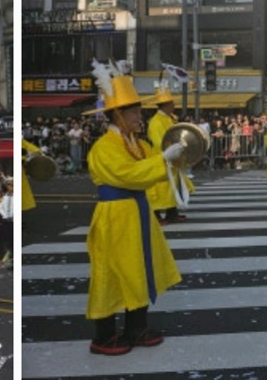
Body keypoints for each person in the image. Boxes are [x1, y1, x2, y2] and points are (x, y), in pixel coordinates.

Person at [80, 60, 185, 356]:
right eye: (135, 112)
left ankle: (136, 328)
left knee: (139, 268)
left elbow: (159, 162)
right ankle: (103, 336)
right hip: (115, 216)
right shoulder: (104, 147)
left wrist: (180, 149)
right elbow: (129, 174)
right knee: (111, 273)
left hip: (136, 213)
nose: (140, 117)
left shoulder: (135, 143)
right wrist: (164, 158)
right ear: (118, 114)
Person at [146, 82, 192, 224]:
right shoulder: (156, 122)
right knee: (160, 188)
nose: (173, 105)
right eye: (171, 103)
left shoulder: (169, 119)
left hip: (172, 158)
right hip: (162, 158)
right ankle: (156, 215)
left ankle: (172, 213)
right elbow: (159, 141)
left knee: (172, 187)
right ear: (165, 105)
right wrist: (172, 150)